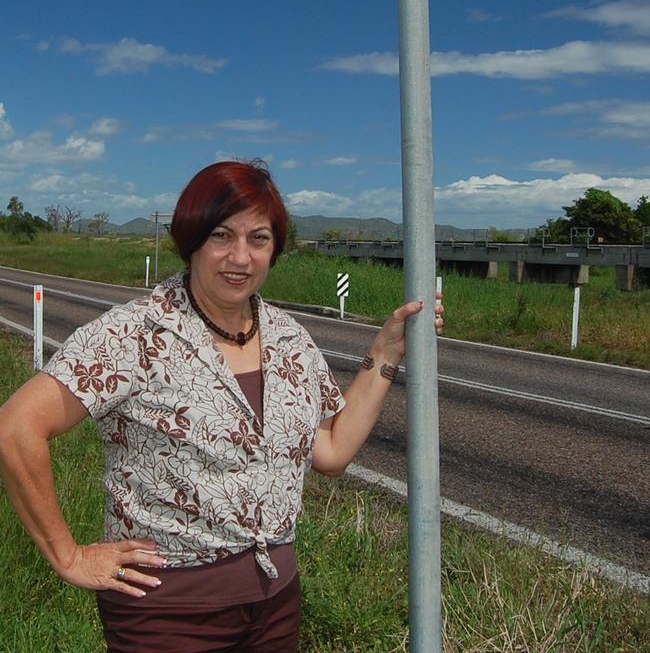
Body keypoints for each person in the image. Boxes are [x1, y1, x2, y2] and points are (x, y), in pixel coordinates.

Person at [0, 160, 443, 652]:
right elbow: (16, 427)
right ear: (191, 241)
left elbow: (333, 449)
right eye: (221, 235)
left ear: (275, 249)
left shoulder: (288, 339)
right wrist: (68, 555)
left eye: (259, 238)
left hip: (274, 607)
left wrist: (384, 354)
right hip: (168, 616)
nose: (241, 257)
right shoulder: (135, 334)